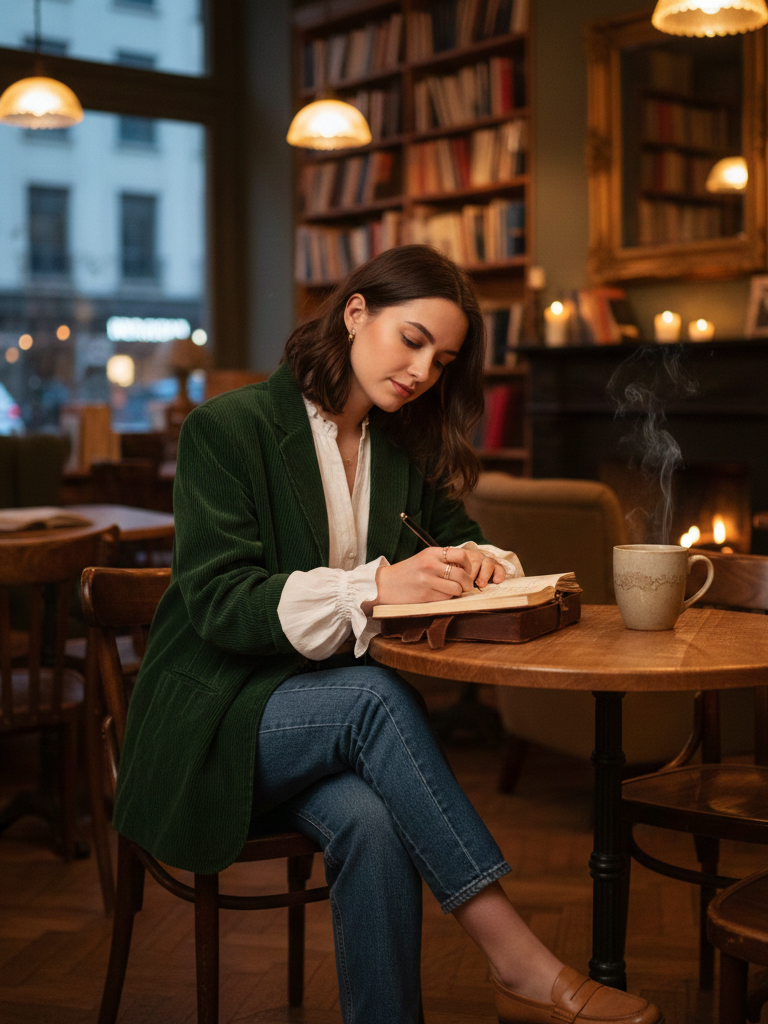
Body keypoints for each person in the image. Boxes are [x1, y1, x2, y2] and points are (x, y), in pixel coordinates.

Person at [113, 245, 662, 1024]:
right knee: (374, 695)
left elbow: (469, 539)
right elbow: (219, 603)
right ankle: (520, 963)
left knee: (373, 824)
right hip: (213, 723)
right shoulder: (228, 429)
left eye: (441, 361)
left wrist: (479, 563)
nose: (422, 372)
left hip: (322, 727)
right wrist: (376, 583)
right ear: (356, 312)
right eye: (412, 341)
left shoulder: (402, 447)